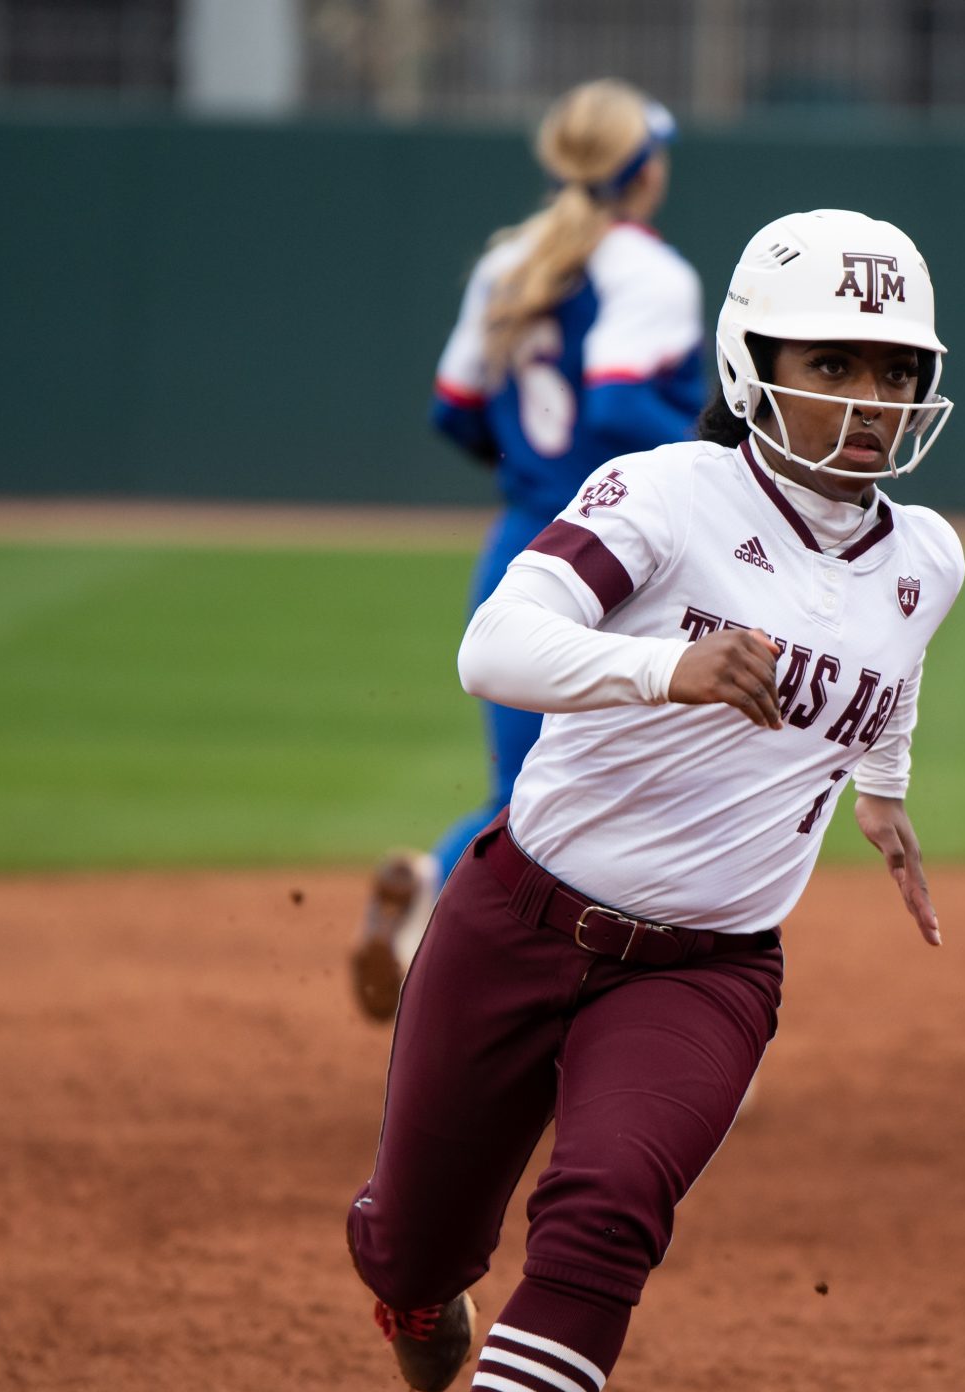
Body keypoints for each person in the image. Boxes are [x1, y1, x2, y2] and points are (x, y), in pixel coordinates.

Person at [343, 208, 961, 1392]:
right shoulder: (667, 492)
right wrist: (663, 669)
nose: (870, 402)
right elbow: (496, 645)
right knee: (416, 1240)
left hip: (707, 971)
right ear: (751, 364)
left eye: (895, 372)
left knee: (611, 1208)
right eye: (837, 365)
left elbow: (895, 670)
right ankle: (417, 1291)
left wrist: (882, 793)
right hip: (513, 916)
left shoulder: (927, 554)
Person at [352, 78, 707, 1022]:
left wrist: (530, 473)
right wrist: (728, 452)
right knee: (664, 794)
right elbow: (622, 404)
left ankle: (426, 891)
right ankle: (662, 1011)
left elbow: (454, 412)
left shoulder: (510, 261)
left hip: (520, 546)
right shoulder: (651, 273)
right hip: (621, 560)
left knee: (532, 795)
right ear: (643, 167)